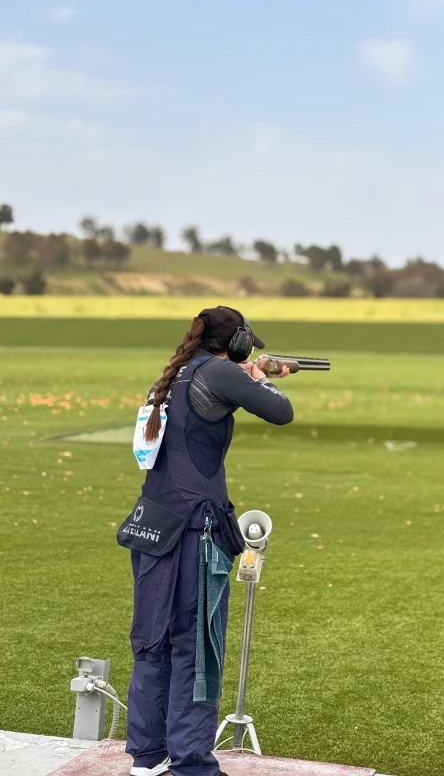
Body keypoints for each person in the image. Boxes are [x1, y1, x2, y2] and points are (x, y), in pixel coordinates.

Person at [117, 306, 293, 776]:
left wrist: (248, 373)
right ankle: (192, 764)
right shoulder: (220, 373)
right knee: (197, 646)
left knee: (152, 641)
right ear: (235, 343)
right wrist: (260, 376)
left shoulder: (173, 376)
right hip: (196, 528)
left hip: (151, 522)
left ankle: (148, 755)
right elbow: (281, 412)